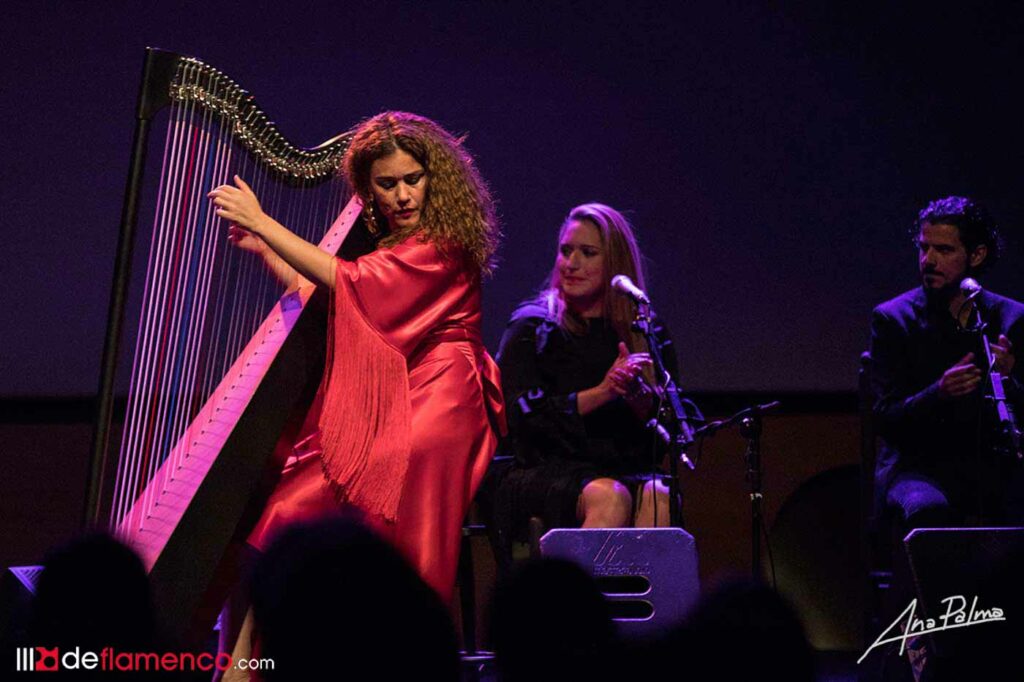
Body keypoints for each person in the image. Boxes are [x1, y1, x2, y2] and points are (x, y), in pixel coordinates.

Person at [209, 111, 505, 602]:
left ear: (436, 177)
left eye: (413, 179)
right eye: (387, 185)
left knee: (379, 486)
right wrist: (266, 250)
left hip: (445, 396)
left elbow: (355, 284)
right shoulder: (395, 242)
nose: (403, 195)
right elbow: (341, 299)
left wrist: (263, 220)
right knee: (290, 504)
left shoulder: (445, 245)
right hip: (400, 389)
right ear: (369, 189)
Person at [868, 196, 1024, 678]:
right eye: (923, 248)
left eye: (943, 249)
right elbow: (886, 418)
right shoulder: (894, 319)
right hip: (917, 468)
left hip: (989, 462)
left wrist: (1011, 379)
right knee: (930, 512)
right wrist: (938, 392)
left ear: (976, 257)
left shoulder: (1009, 318)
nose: (928, 261)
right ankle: (928, 648)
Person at [492, 203, 685, 548]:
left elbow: (672, 430)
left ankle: (638, 602)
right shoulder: (533, 326)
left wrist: (643, 405)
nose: (572, 263)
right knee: (610, 497)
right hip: (544, 470)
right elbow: (522, 421)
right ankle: (579, 603)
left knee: (659, 496)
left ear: (615, 263)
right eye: (566, 251)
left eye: (587, 253)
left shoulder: (644, 330)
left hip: (619, 467)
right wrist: (604, 392)